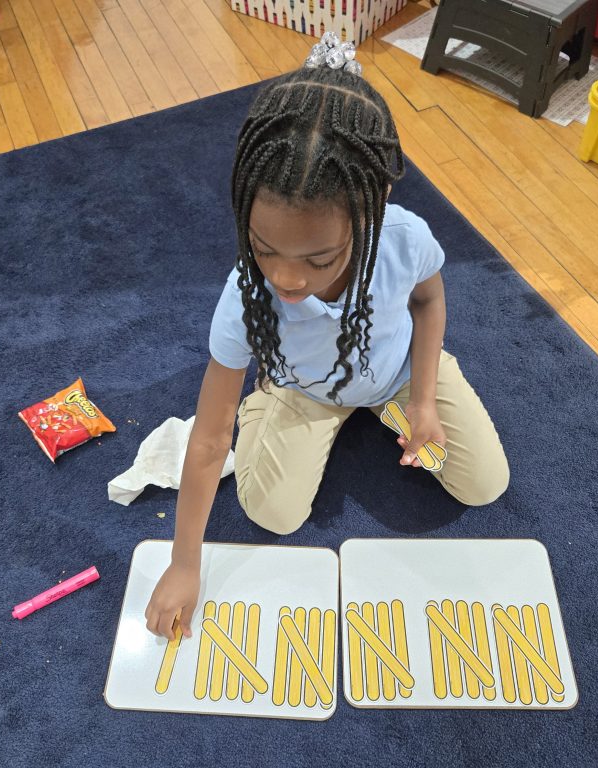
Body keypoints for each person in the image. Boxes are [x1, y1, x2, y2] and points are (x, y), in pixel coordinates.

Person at [145, 34, 509, 640]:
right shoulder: (245, 296)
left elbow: (428, 300)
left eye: (319, 259)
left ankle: (391, 404)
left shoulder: (404, 239)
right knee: (272, 513)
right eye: (263, 249)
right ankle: (271, 397)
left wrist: (422, 399)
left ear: (373, 210)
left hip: (396, 375)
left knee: (484, 485)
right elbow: (210, 439)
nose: (288, 279)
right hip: (306, 389)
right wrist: (185, 562)